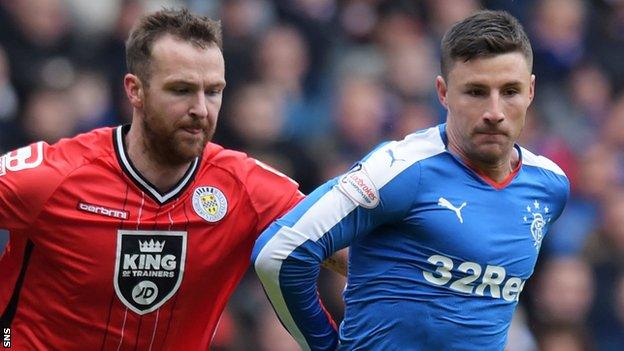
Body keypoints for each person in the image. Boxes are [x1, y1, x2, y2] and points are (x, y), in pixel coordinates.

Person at [0, 8, 345, 350]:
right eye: (181, 90)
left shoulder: (247, 189)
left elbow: (348, 254)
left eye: (213, 91)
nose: (200, 108)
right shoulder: (54, 175)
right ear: (135, 90)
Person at [253, 9, 570, 350]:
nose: (494, 111)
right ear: (443, 92)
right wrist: (323, 344)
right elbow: (279, 251)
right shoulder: (402, 170)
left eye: (510, 91)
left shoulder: (550, 186)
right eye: (476, 92)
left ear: (531, 91)